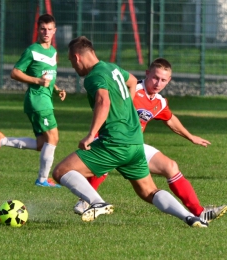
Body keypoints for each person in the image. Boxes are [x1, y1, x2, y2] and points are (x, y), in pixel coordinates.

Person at [52, 36, 208, 227]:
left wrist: (91, 135)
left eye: (70, 61)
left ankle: (96, 202)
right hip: (135, 143)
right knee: (149, 191)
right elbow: (133, 81)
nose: (73, 67)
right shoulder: (112, 68)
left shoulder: (93, 77)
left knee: (61, 171)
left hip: (114, 142)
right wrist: (126, 106)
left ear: (77, 58)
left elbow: (103, 101)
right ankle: (189, 217)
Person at [73, 57, 227, 223]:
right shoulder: (131, 89)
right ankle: (85, 201)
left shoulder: (159, 102)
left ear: (169, 81)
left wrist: (190, 137)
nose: (157, 83)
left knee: (171, 167)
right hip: (112, 139)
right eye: (155, 77)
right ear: (147, 74)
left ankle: (199, 212)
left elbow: (170, 119)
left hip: (134, 145)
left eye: (163, 80)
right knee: (104, 166)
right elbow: (106, 104)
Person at [0, 13, 66, 188]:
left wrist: (57, 89)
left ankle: (1, 140)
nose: (46, 32)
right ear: (38, 30)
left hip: (44, 100)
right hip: (37, 101)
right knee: (53, 138)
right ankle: (43, 180)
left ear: (54, 31)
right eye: (43, 29)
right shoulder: (32, 51)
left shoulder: (53, 52)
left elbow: (46, 75)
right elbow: (15, 73)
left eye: (49, 29)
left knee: (41, 144)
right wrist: (38, 81)